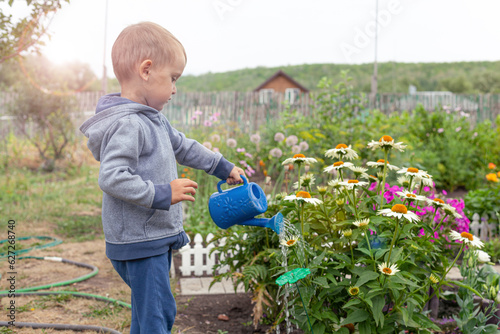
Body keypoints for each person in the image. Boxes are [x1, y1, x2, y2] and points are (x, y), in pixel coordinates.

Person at [79, 21, 244, 334]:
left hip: (149, 236)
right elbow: (112, 177)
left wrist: (222, 167)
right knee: (158, 314)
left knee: (147, 313)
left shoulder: (154, 121)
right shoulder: (130, 125)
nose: (174, 88)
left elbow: (184, 146)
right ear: (146, 70)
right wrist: (161, 193)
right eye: (172, 78)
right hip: (141, 240)